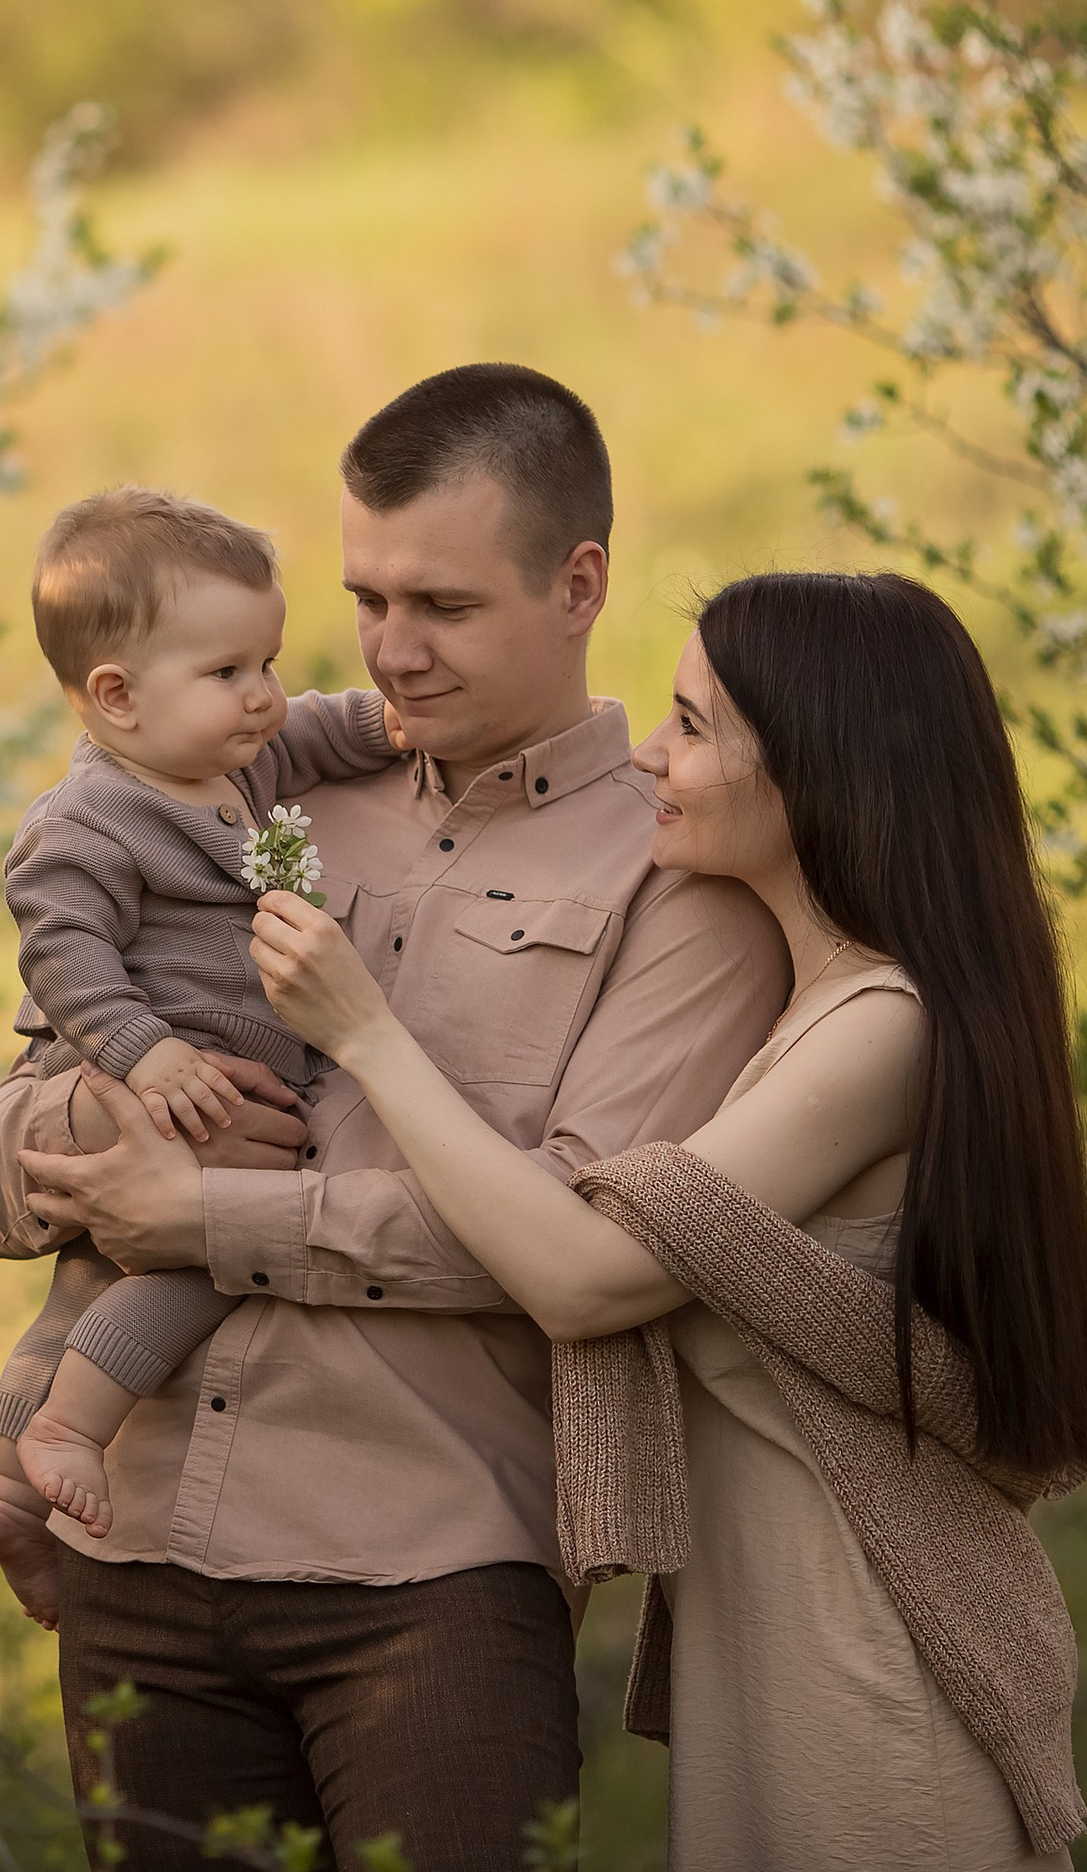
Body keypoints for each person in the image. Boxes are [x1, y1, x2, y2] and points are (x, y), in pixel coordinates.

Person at [0, 363, 790, 1872]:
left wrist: (203, 1217)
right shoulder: (253, 787)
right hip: (135, 1548)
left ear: (580, 580)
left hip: (428, 1576)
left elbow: (581, 1243)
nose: (392, 654)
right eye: (369, 600)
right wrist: (67, 1138)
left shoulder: (676, 876)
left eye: (446, 609)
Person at [249, 570, 1087, 1869]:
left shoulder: (885, 1029)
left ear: (817, 769)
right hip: (775, 1680)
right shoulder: (807, 1022)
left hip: (870, 1692)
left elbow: (588, 1279)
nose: (651, 752)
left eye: (692, 726)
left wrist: (366, 1033)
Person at [0, 487, 401, 1617]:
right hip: (176, 1088)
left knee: (80, 1291)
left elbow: (312, 724)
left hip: (210, 1084)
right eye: (229, 673)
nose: (263, 693)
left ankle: (15, 1496)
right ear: (114, 695)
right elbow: (62, 952)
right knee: (199, 1260)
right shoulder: (87, 818)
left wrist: (386, 722)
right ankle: (71, 1426)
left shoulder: (230, 759)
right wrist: (142, 1054)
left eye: (266, 659)